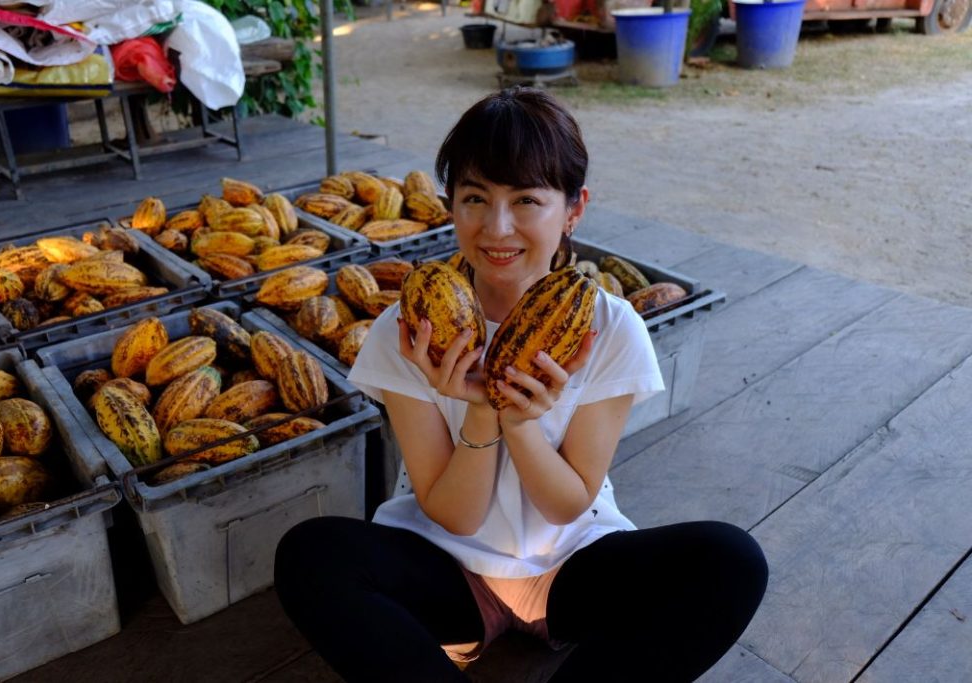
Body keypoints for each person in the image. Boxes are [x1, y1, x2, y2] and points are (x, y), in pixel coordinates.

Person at [274, 86, 767, 682]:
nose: (497, 227)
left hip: (571, 566)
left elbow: (567, 503)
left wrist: (520, 420)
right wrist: (480, 413)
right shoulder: (408, 328)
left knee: (731, 562)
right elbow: (454, 516)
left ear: (574, 208)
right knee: (310, 555)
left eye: (527, 199)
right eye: (475, 197)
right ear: (450, 204)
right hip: (444, 566)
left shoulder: (610, 327)